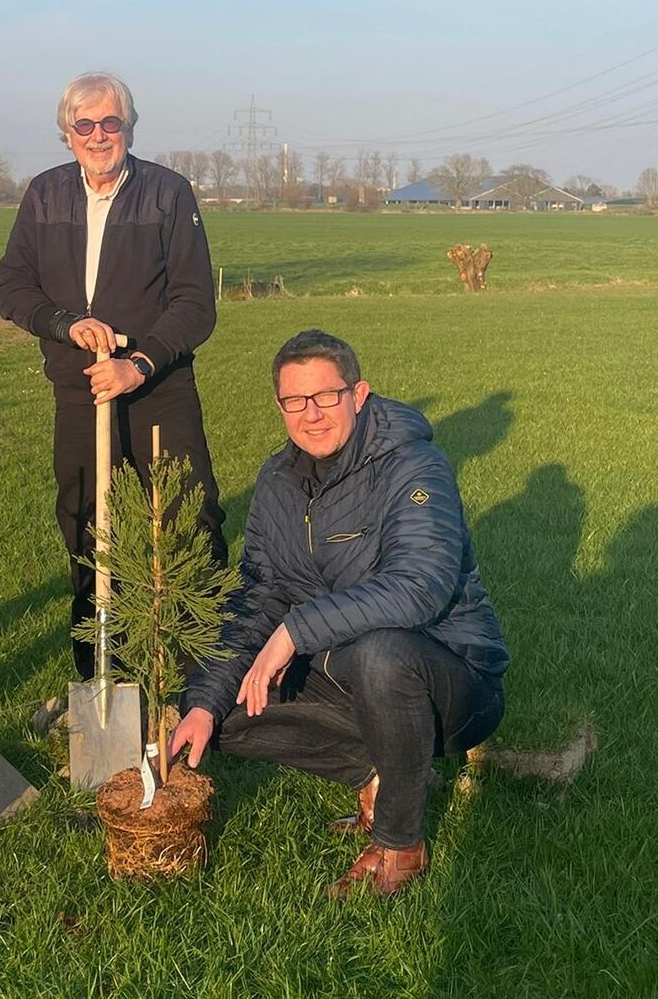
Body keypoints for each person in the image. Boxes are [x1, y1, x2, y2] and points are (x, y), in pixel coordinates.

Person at [170, 330, 508, 897]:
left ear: (359, 393)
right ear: (279, 406)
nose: (312, 414)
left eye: (326, 396)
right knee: (209, 685)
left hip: (452, 681)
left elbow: (419, 588)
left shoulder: (416, 467)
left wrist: (294, 632)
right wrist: (204, 702)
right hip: (347, 672)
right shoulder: (277, 482)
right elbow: (257, 596)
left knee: (381, 653)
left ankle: (401, 843)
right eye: (294, 401)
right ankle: (381, 772)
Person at [0, 71, 227, 684]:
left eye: (111, 123)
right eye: (85, 125)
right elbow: (12, 287)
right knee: (87, 529)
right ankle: (105, 680)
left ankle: (195, 687)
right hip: (79, 394)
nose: (99, 135)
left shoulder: (167, 194)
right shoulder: (44, 195)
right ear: (67, 134)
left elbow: (195, 302)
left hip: (159, 390)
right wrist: (66, 324)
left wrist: (140, 363)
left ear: (129, 127)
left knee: (186, 525)